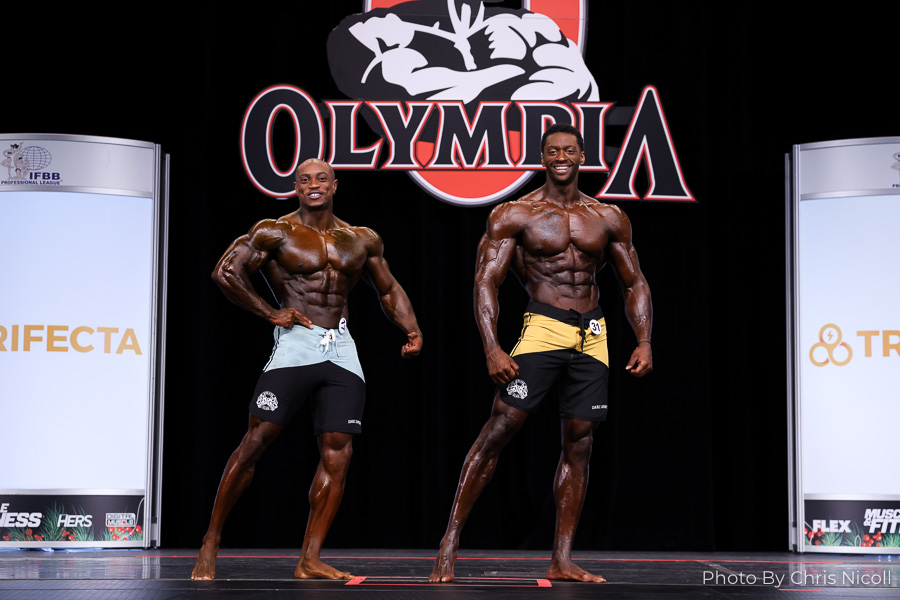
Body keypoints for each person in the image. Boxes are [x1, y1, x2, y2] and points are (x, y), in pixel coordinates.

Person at [429, 123, 652, 584]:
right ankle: (449, 542)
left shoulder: (608, 216)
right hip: (543, 328)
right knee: (500, 428)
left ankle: (561, 559)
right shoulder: (516, 214)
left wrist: (645, 339)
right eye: (553, 151)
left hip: (592, 334)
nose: (561, 157)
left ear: (583, 156)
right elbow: (486, 282)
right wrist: (492, 346)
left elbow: (634, 282)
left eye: (569, 150)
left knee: (580, 442)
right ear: (543, 157)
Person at [191, 158, 423, 581]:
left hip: (342, 348)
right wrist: (269, 312)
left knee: (339, 454)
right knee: (256, 441)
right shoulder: (274, 231)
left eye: (321, 179)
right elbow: (225, 271)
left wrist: (412, 329)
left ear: (334, 185)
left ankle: (310, 558)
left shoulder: (362, 238)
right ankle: (211, 540)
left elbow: (388, 289)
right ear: (295, 188)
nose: (313, 185)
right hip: (297, 343)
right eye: (304, 180)